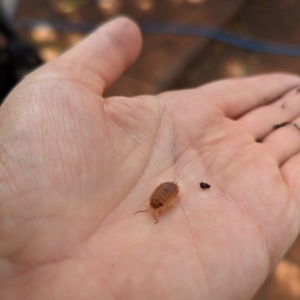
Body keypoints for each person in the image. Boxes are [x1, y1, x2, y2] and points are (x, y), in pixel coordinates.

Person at [0, 16, 299, 300]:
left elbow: (170, 195)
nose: (156, 206)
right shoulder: (158, 202)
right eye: (157, 205)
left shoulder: (164, 197)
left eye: (157, 204)